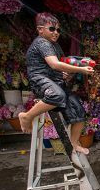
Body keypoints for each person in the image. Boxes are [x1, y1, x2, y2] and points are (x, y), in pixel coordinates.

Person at [18, 13, 94, 154]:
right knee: (57, 95)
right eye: (52, 29)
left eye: (58, 30)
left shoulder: (55, 45)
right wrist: (80, 69)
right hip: (41, 81)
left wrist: (68, 73)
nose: (56, 33)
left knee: (79, 111)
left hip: (55, 81)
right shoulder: (42, 43)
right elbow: (54, 64)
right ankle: (27, 116)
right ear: (40, 30)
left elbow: (60, 64)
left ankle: (73, 144)